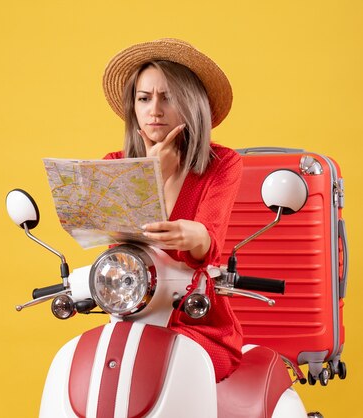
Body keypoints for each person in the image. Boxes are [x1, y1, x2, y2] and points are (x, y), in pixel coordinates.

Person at [101, 38, 243, 382]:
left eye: (169, 97)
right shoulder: (113, 165)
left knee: (177, 370)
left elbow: (208, 240)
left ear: (192, 103)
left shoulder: (222, 163)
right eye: (144, 98)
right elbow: (118, 252)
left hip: (200, 323)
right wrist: (149, 176)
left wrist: (195, 236)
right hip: (133, 317)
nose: (155, 110)